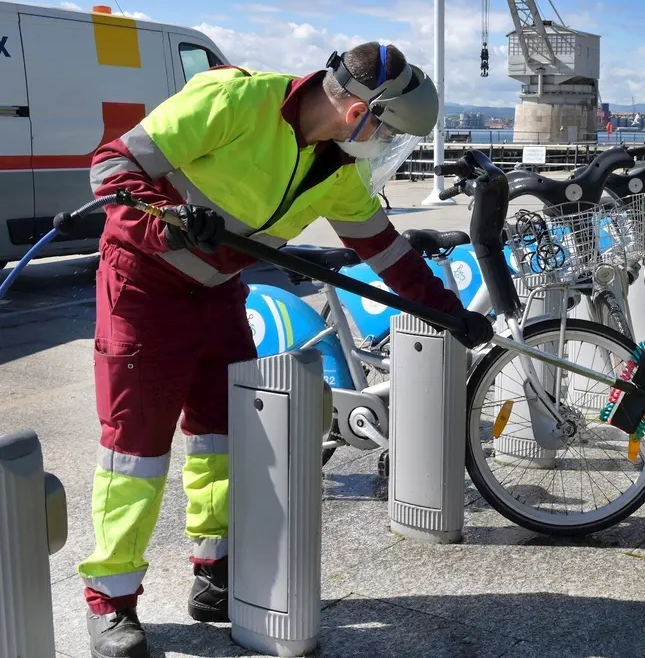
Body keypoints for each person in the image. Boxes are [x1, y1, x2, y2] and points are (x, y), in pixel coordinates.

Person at [79, 41, 492, 658]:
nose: (385, 153)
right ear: (360, 114)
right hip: (144, 283)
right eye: (389, 137)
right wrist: (168, 217)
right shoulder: (236, 101)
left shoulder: (337, 174)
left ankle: (214, 569)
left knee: (224, 436)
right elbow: (112, 167)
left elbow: (386, 252)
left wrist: (449, 312)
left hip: (218, 291)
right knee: (135, 449)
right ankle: (111, 600)